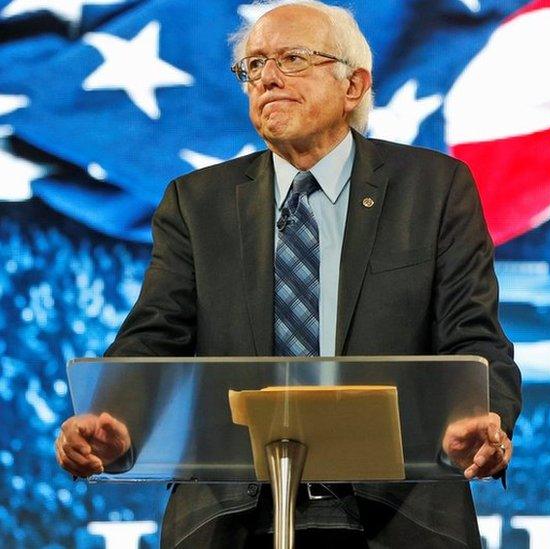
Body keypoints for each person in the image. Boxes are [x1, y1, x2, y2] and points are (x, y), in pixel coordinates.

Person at [54, 1, 522, 547]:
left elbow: (473, 336)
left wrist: (485, 420)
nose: (267, 78)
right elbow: (152, 339)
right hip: (233, 512)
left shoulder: (434, 189)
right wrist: (109, 417)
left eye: (293, 59)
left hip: (398, 508)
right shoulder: (196, 202)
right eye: (253, 67)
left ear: (354, 86)